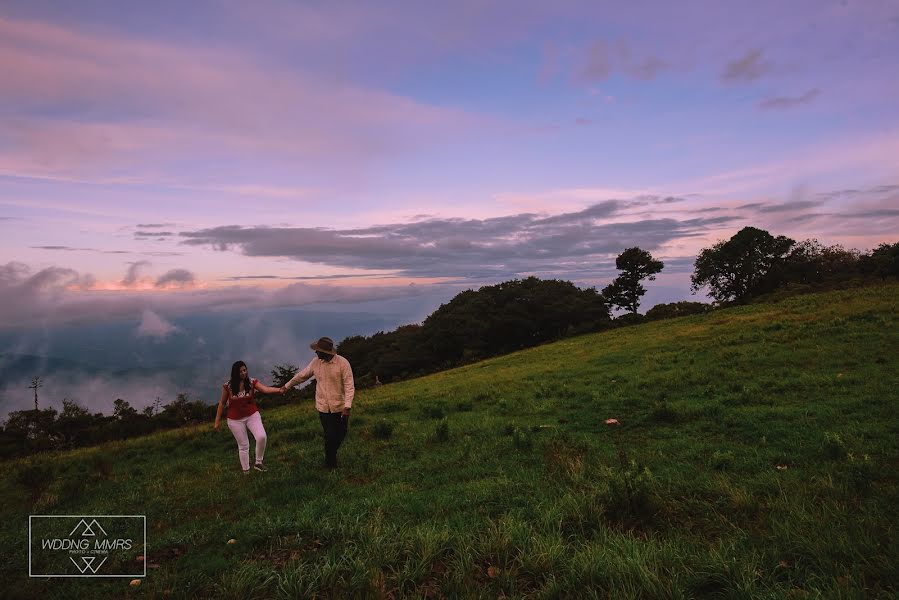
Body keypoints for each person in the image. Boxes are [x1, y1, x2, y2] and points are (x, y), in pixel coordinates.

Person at [281, 337, 355, 469]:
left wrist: (347, 406)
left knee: (342, 433)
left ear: (326, 352)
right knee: (330, 436)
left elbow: (349, 386)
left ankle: (331, 455)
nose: (316, 353)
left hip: (340, 407)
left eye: (318, 351)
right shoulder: (316, 363)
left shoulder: (343, 363)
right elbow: (302, 376)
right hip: (323, 408)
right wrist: (287, 386)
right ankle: (330, 464)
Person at [214, 360, 283, 475]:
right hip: (234, 420)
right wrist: (217, 421)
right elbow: (221, 403)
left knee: (261, 436)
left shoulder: (251, 382)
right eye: (240, 371)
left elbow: (265, 389)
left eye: (245, 370)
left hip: (252, 415)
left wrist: (279, 390)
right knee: (244, 446)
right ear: (235, 373)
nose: (243, 373)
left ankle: (258, 463)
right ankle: (246, 472)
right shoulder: (228, 386)